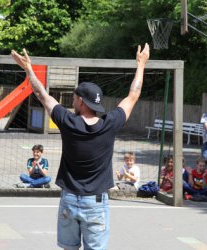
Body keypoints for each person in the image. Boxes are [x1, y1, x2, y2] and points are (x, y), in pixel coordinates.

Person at [11, 43, 150, 250]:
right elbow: (133, 95)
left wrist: (29, 69)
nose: (73, 101)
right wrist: (141, 64)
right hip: (96, 203)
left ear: (82, 102)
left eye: (75, 98)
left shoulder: (68, 122)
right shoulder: (110, 123)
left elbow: (41, 95)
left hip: (69, 199)